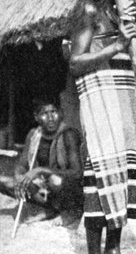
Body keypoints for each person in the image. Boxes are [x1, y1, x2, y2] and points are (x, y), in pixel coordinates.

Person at [69, 0, 136, 254]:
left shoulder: (119, 10)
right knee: (102, 174)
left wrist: (129, 31)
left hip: (122, 93)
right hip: (100, 96)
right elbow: (75, 61)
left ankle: (114, 251)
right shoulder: (89, 8)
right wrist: (116, 45)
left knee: (124, 170)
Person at [0, 96, 83, 226]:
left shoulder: (68, 135)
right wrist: (18, 176)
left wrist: (41, 170)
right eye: (44, 113)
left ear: (61, 113)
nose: (50, 118)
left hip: (68, 189)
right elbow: (22, 164)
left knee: (54, 179)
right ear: (36, 117)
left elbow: (77, 172)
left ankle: (67, 212)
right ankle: (50, 209)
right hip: (45, 188)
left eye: (54, 112)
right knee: (4, 182)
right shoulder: (34, 135)